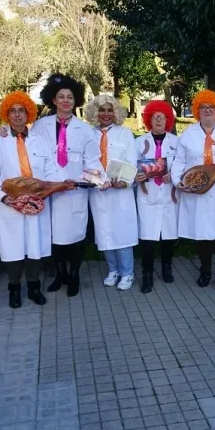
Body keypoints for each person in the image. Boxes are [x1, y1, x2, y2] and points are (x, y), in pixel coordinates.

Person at [0, 74, 104, 297]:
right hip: (47, 194)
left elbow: (93, 160)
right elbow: (16, 138)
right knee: (53, 237)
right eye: (61, 96)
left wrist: (100, 178)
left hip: (74, 190)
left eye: (70, 97)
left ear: (76, 100)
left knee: (76, 236)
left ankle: (74, 275)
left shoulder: (84, 129)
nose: (65, 101)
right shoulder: (40, 127)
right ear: (53, 99)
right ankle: (60, 274)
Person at [0, 91, 55, 309]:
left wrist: (49, 188)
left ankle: (34, 287)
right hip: (11, 204)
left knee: (35, 245)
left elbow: (50, 168)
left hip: (36, 201)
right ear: (6, 114)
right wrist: (3, 197)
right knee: (13, 247)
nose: (17, 115)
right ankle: (14, 288)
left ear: (29, 114)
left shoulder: (39, 141)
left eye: (22, 111)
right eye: (13, 111)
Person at [171, 89, 215, 288]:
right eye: (203, 107)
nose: (208, 110)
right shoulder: (188, 135)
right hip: (198, 191)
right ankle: (205, 270)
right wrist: (177, 181)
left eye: (212, 107)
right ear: (197, 111)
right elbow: (179, 161)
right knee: (202, 233)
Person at [85, 94, 139, 291]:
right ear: (95, 112)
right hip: (99, 192)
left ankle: (127, 273)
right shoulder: (88, 134)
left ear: (116, 112)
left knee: (123, 233)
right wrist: (97, 180)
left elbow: (132, 161)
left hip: (120, 192)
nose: (106, 114)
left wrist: (124, 182)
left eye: (110, 110)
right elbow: (86, 161)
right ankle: (113, 270)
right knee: (104, 232)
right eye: (102, 110)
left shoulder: (124, 133)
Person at [135, 100, 180, 293]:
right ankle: (147, 274)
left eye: (162, 116)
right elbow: (131, 165)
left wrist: (175, 175)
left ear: (168, 119)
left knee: (168, 235)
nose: (159, 120)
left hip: (169, 194)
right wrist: (136, 175)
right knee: (148, 237)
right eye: (155, 117)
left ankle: (166, 267)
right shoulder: (139, 142)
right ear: (149, 120)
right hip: (148, 194)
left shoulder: (177, 142)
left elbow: (184, 165)